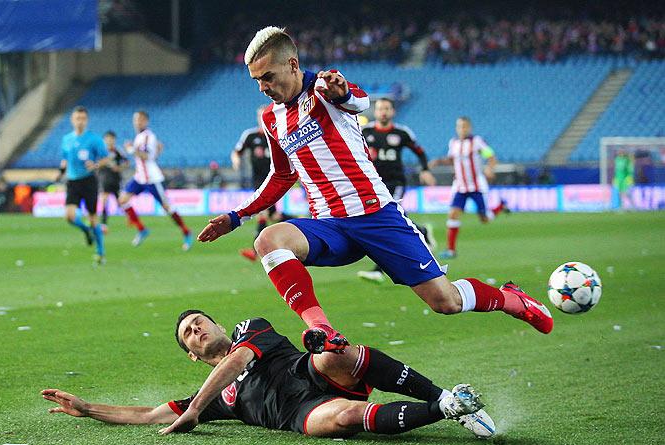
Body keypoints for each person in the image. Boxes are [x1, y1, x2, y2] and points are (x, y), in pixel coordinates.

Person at [197, 27, 553, 355]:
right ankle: (323, 330)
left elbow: (358, 101)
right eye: (257, 81)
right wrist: (236, 216)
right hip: (330, 226)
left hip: (375, 216)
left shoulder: (323, 87)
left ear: (292, 64)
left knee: (446, 302)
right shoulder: (271, 118)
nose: (263, 87)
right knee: (268, 241)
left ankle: (511, 299)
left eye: (268, 77)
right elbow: (281, 175)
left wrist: (343, 92)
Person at [42, 309, 495, 439]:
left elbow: (238, 361)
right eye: (188, 334)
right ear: (192, 355)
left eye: (199, 321)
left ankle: (442, 396)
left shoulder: (249, 330)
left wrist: (195, 410)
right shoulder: (218, 400)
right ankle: (447, 406)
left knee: (331, 355)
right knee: (333, 423)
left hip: (313, 373)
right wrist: (89, 408)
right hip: (305, 412)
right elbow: (147, 415)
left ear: (219, 325)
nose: (197, 329)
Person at [358, 97, 437, 283]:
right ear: (375, 112)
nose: (383, 112)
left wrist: (425, 169)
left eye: (386, 108)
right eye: (380, 109)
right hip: (374, 183)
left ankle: (379, 269)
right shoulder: (365, 131)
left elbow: (419, 152)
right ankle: (422, 231)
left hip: (396, 182)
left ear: (392, 111)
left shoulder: (402, 133)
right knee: (391, 219)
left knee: (388, 218)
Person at [430, 117, 508, 259]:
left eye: (465, 126)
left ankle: (501, 206)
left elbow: (490, 155)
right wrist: (438, 161)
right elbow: (451, 159)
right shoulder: (453, 143)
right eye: (460, 126)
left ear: (470, 128)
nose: (462, 129)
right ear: (456, 128)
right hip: (460, 186)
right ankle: (451, 250)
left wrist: (490, 168)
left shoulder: (477, 141)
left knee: (484, 219)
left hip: (477, 186)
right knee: (453, 214)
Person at [118, 111, 193, 251]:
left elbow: (146, 156)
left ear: (146, 121)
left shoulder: (147, 136)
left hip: (153, 179)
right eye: (135, 119)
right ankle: (141, 229)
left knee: (167, 208)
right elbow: (154, 152)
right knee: (122, 200)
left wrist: (130, 150)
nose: (137, 122)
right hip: (140, 177)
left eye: (140, 119)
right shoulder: (140, 137)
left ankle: (186, 232)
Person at [231, 106, 294, 262]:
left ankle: (255, 251)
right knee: (273, 215)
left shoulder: (278, 132)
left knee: (264, 213)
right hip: (258, 180)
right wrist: (236, 161)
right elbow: (236, 151)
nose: (261, 119)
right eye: (259, 116)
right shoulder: (250, 135)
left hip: (275, 179)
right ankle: (301, 221)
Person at [58, 106, 109, 264]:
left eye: (83, 118)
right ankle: (86, 230)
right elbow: (65, 158)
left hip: (88, 181)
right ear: (72, 120)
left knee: (93, 218)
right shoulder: (67, 139)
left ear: (86, 120)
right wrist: (61, 171)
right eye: (77, 118)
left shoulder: (94, 139)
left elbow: (105, 158)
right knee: (69, 216)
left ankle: (100, 252)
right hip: (72, 181)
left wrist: (95, 165)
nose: (80, 121)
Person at [98, 130, 129, 232]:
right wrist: (104, 162)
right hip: (104, 177)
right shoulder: (100, 151)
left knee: (120, 201)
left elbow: (127, 162)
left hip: (116, 178)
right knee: (104, 200)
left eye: (111, 139)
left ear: (114, 140)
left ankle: (130, 219)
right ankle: (104, 223)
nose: (109, 141)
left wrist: (119, 167)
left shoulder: (118, 150)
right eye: (107, 139)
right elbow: (96, 164)